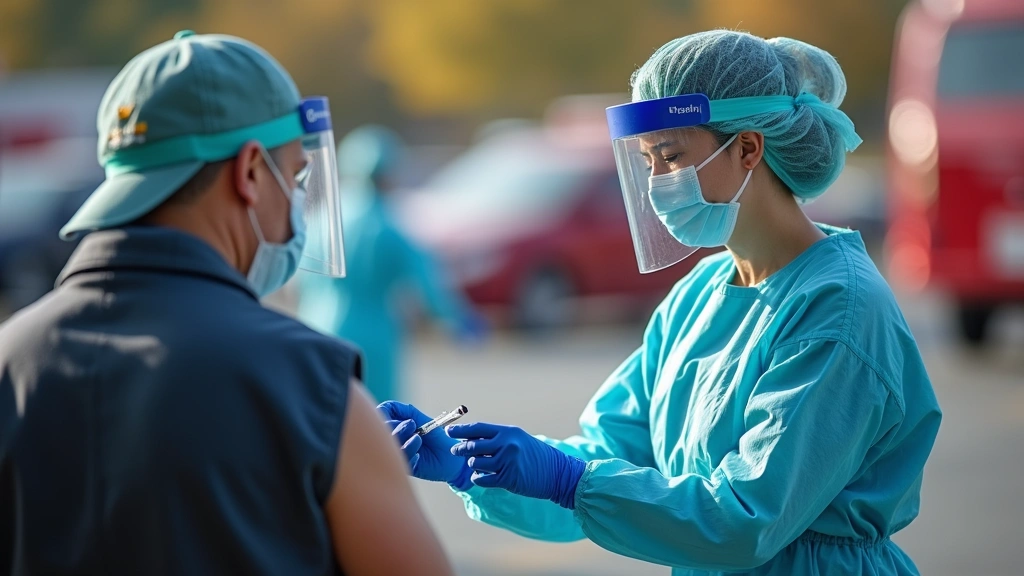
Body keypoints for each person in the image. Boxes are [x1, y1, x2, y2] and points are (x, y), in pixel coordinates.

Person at [380, 30, 942, 576]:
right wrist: (474, 467)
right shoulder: (699, 294)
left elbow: (745, 520)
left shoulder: (837, 310)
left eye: (670, 156)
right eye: (646, 160)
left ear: (748, 147)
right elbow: (610, 452)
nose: (655, 183)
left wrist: (568, 480)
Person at [0, 31, 453, 576]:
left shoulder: (9, 360)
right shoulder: (307, 385)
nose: (297, 205)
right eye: (294, 177)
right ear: (250, 172)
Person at [296, 125, 486, 403]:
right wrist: (460, 321)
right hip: (373, 340)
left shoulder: (321, 220)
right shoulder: (389, 226)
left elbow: (301, 277)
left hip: (315, 325)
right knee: (378, 421)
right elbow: (430, 287)